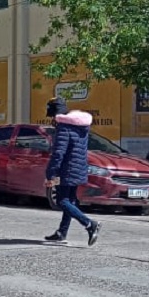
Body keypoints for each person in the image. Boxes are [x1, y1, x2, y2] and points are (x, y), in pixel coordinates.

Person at [44, 102, 101, 246]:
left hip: (66, 170)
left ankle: (89, 224)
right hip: (78, 168)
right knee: (70, 200)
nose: (52, 120)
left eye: (52, 116)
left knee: (62, 201)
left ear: (56, 115)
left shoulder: (64, 128)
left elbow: (58, 153)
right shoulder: (81, 127)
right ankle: (62, 233)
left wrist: (50, 172)